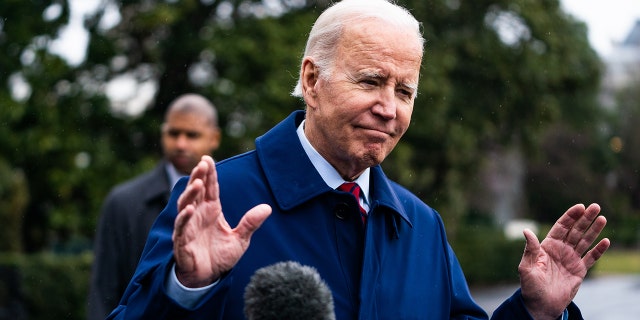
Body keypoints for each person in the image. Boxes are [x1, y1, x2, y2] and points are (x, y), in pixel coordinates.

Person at [107, 1, 610, 319]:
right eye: (370, 81)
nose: (388, 108)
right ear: (311, 80)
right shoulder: (221, 197)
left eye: (405, 90)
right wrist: (188, 288)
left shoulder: (420, 225)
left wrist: (536, 312)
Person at [87, 93, 221, 320]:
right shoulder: (123, 202)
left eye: (192, 135)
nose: (180, 143)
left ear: (214, 138)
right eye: (173, 133)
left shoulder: (237, 194)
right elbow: (104, 289)